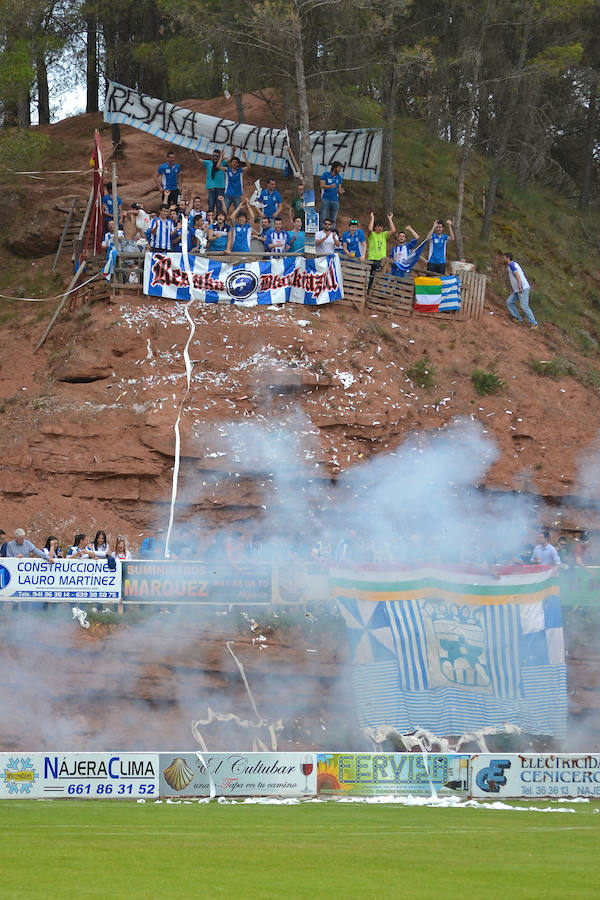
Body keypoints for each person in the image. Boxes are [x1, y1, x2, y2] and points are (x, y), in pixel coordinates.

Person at [502, 252, 538, 329]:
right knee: (509, 302)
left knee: (524, 306)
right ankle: (518, 318)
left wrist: (519, 286)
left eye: (504, 258)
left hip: (522, 288)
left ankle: (534, 324)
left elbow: (517, 275)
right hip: (517, 290)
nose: (503, 259)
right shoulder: (512, 265)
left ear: (508, 258)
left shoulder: (512, 265)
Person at [367, 211, 396, 289]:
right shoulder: (372, 234)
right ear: (375, 227)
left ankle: (377, 293)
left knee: (379, 278)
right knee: (370, 278)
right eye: (378, 226)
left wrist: (390, 219)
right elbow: (369, 229)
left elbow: (393, 230)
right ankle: (369, 292)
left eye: (381, 227)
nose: (380, 228)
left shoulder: (384, 234)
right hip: (372, 258)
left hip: (381, 259)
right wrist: (372, 218)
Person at [218, 147, 250, 214]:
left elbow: (249, 167)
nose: (234, 163)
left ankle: (237, 224)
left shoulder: (240, 170)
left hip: (237, 195)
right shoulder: (227, 170)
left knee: (238, 212)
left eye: (236, 162)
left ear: (238, 164)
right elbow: (218, 166)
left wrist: (245, 158)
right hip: (228, 194)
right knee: (224, 212)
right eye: (233, 162)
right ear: (231, 163)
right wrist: (221, 157)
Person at [319, 160, 344, 228]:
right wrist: (330, 186)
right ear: (334, 168)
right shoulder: (325, 174)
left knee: (333, 219)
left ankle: (332, 234)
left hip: (335, 200)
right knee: (323, 218)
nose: (339, 170)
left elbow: (339, 188)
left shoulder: (339, 177)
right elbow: (321, 185)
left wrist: (341, 190)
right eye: (338, 168)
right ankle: (322, 232)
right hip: (326, 199)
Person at [200, 149, 226, 214]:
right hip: (211, 188)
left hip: (220, 188)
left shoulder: (223, 163)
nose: (215, 157)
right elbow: (198, 160)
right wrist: (194, 152)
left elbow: (231, 160)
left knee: (219, 206)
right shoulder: (208, 163)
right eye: (214, 156)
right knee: (211, 205)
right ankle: (210, 220)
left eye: (217, 156)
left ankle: (218, 220)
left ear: (219, 157)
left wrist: (233, 151)